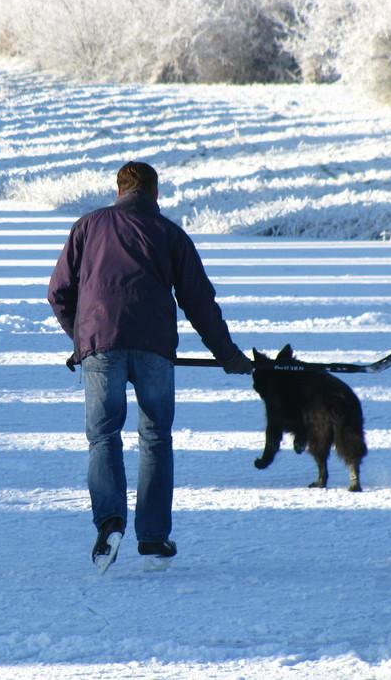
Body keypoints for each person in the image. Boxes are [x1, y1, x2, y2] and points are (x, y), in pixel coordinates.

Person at [47, 160, 253, 574]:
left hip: (100, 345)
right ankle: (154, 538)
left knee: (103, 436)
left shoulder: (87, 226)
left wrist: (82, 340)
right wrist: (226, 354)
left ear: (118, 190)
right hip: (155, 348)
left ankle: (110, 524)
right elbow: (199, 302)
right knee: (156, 437)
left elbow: (59, 292)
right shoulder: (171, 234)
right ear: (156, 194)